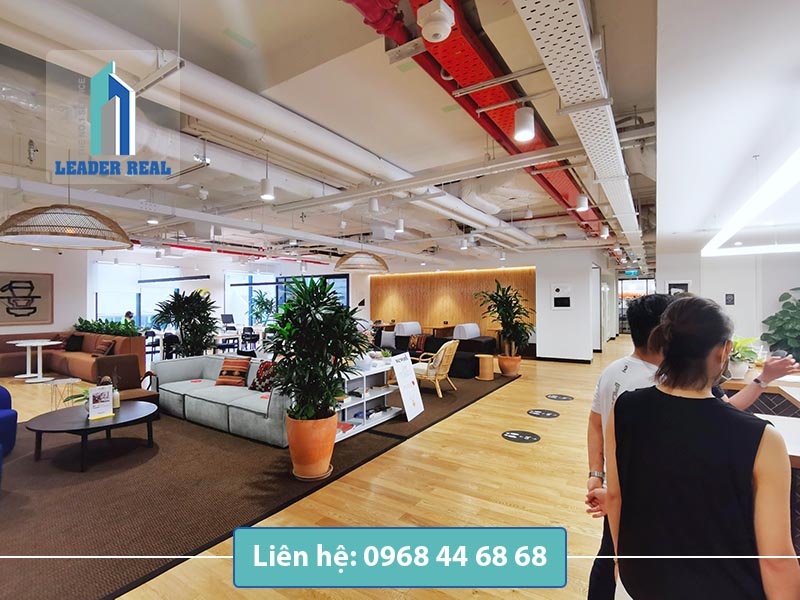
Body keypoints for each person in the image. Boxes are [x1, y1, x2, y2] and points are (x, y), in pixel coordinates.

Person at [586, 295, 800, 599]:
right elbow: (776, 560)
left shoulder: (626, 408)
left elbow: (616, 497)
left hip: (639, 584)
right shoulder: (763, 438)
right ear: (724, 351)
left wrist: (621, 563)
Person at [586, 294, 673, 600]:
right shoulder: (663, 383)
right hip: (639, 497)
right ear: (665, 332)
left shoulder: (612, 370)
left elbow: (594, 424)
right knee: (624, 561)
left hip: (615, 489)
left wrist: (596, 474)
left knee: (609, 552)